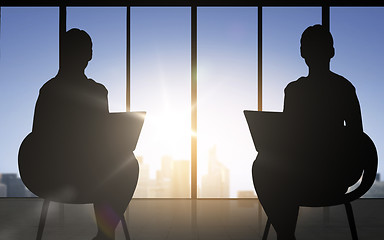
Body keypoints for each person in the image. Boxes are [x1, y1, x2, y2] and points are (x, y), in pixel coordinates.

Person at [20, 28, 138, 240]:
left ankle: (105, 233)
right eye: (86, 50)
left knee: (112, 164)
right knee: (128, 164)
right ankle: (105, 233)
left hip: (54, 174)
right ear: (88, 55)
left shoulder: (48, 89)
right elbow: (102, 138)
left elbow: (37, 138)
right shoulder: (97, 91)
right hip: (80, 174)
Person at [253, 24, 364, 240]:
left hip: (329, 173)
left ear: (302, 53)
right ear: (331, 52)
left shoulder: (298, 90)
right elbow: (356, 135)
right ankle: (286, 234)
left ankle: (285, 235)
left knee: (265, 168)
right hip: (319, 171)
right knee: (268, 166)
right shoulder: (339, 87)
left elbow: (354, 139)